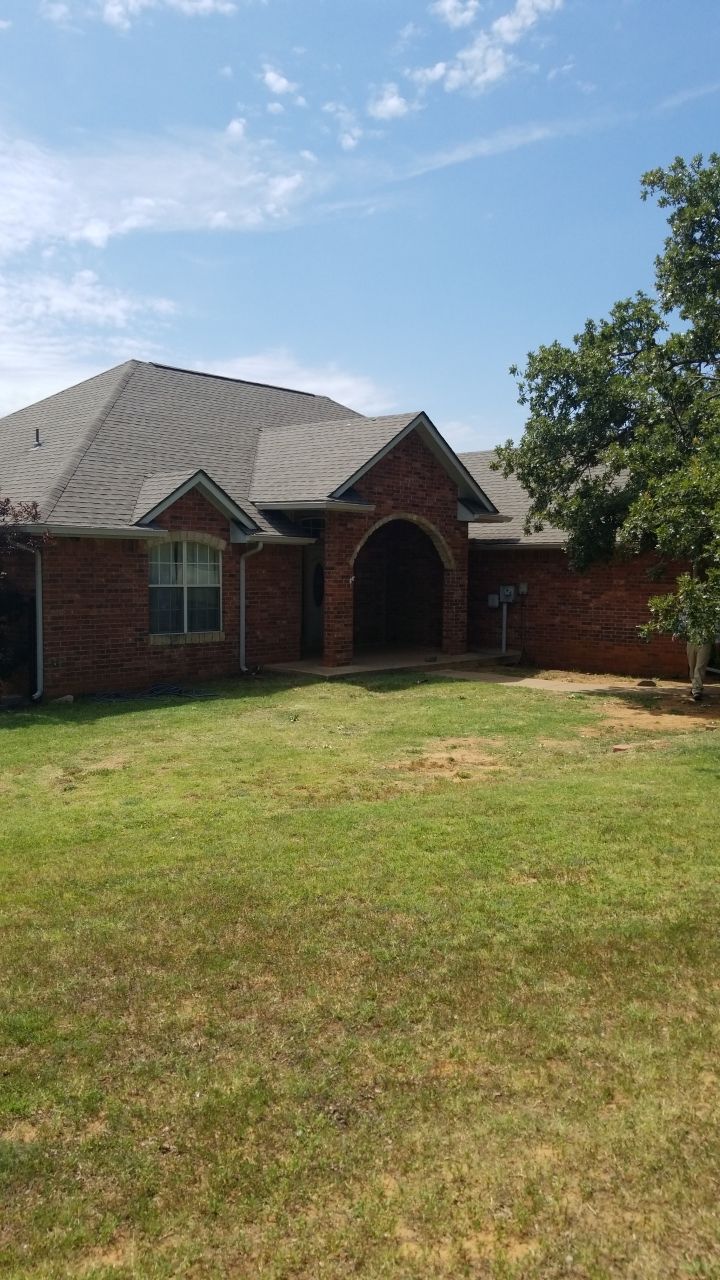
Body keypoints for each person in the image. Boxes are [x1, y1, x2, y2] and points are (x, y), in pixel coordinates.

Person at [687, 635, 717, 701]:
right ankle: (694, 686)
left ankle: (697, 689)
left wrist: (717, 641)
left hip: (705, 641)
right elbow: (683, 624)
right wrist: (677, 632)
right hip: (691, 640)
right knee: (692, 666)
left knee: (699, 666)